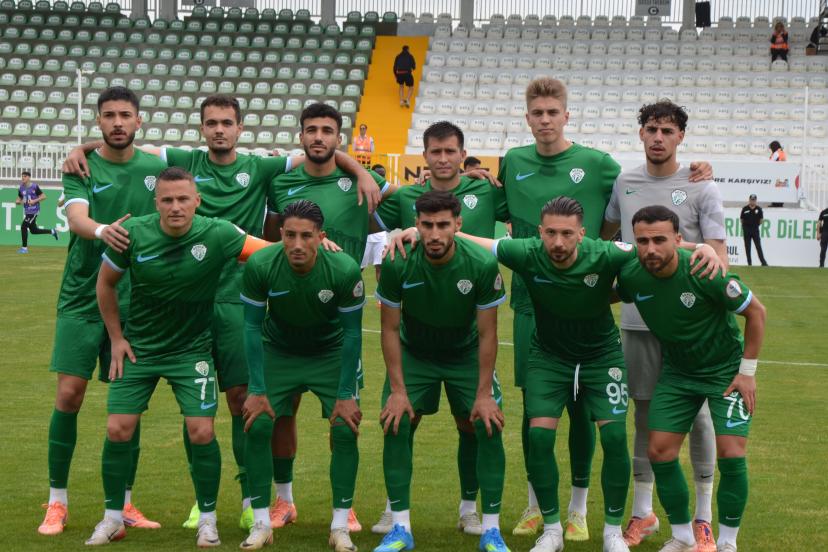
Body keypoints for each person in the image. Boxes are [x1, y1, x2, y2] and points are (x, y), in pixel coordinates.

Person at [63, 94, 380, 531]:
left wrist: (359, 170)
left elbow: (317, 149)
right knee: (193, 403)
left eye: (226, 123)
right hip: (188, 302)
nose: (219, 130)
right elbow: (126, 145)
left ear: (240, 128)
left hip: (236, 300)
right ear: (201, 128)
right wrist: (79, 148)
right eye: (211, 123)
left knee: (241, 399)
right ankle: (202, 503)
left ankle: (251, 499)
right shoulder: (185, 160)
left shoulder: (260, 166)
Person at [87, 167, 269, 547]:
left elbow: (271, 252)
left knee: (201, 431)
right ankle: (112, 518)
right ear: (156, 203)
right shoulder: (132, 233)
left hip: (191, 351)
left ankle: (208, 520)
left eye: (183, 199)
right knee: (118, 429)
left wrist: (320, 246)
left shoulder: (218, 233)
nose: (175, 207)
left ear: (197, 201)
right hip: (140, 349)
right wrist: (116, 338)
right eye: (167, 199)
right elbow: (105, 284)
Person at [371, 122, 508, 537]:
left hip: (465, 348)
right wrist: (397, 390)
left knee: (481, 423)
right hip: (416, 349)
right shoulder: (400, 243)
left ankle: (475, 514)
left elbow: (488, 333)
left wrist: (484, 393)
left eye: (451, 151)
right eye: (436, 151)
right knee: (398, 420)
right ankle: (397, 518)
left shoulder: (481, 254)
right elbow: (388, 329)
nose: (434, 232)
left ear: (457, 224)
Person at [602, 100, 727, 551]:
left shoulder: (701, 185)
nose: (658, 137)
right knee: (644, 416)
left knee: (699, 418)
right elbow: (609, 239)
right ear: (641, 133)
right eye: (651, 129)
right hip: (639, 321)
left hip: (691, 327)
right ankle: (643, 512)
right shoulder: (625, 182)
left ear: (680, 137)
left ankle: (702, 519)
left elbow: (718, 255)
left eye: (667, 131)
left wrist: (696, 251)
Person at [39, 86, 164, 537]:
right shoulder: (82, 166)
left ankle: (125, 503)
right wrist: (103, 230)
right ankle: (57, 501)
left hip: (135, 300)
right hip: (81, 296)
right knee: (69, 395)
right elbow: (76, 219)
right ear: (99, 121)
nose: (117, 122)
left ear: (139, 121)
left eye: (125, 115)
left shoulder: (155, 167)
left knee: (127, 404)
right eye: (109, 115)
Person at [265, 102, 391, 534]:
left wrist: (358, 171)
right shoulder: (280, 183)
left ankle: (345, 507)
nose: (318, 137)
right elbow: (270, 238)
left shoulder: (363, 183)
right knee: (281, 415)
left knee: (344, 418)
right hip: (286, 322)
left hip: (338, 327)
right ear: (300, 136)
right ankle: (283, 500)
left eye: (327, 130)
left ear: (340, 138)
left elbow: (411, 200)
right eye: (311, 130)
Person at [616, 205, 766, 552]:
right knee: (659, 451)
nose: (650, 249)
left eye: (659, 240)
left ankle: (727, 543)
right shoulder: (633, 275)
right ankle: (683, 536)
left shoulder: (704, 269)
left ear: (678, 239)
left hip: (725, 372)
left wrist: (747, 374)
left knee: (731, 453)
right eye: (642, 241)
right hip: (678, 373)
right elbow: (605, 274)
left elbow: (757, 312)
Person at [239, 200, 365, 552]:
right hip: (279, 351)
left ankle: (340, 525)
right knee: (258, 424)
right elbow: (250, 327)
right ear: (280, 234)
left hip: (330, 352)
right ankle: (261, 523)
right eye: (290, 235)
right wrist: (257, 388)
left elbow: (353, 334)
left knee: (345, 428)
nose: (297, 244)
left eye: (306, 236)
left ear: (321, 237)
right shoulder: (261, 264)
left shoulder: (344, 269)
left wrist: (346, 394)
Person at [16, 170, 58, 253]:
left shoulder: (34, 187)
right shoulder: (21, 187)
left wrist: (34, 201)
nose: (23, 178)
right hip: (27, 211)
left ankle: (24, 248)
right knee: (34, 230)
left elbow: (44, 196)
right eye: (22, 176)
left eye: (25, 176)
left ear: (29, 177)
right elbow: (20, 197)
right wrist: (17, 201)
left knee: (23, 226)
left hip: (34, 210)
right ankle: (52, 231)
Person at [363, 164, 388, 287]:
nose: (380, 177)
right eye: (377, 174)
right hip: (365, 235)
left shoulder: (387, 192)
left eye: (382, 175)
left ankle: (382, 294)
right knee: (359, 267)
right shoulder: (363, 189)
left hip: (380, 235)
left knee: (380, 267)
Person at [740, 195, 768, 266]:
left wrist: (755, 225)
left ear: (756, 201)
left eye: (754, 200)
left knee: (758, 246)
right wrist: (745, 226)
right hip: (747, 231)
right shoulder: (745, 209)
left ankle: (763, 263)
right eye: (751, 200)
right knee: (747, 248)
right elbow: (741, 219)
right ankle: (749, 263)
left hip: (755, 230)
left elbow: (761, 220)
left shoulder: (759, 209)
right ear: (749, 200)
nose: (752, 201)